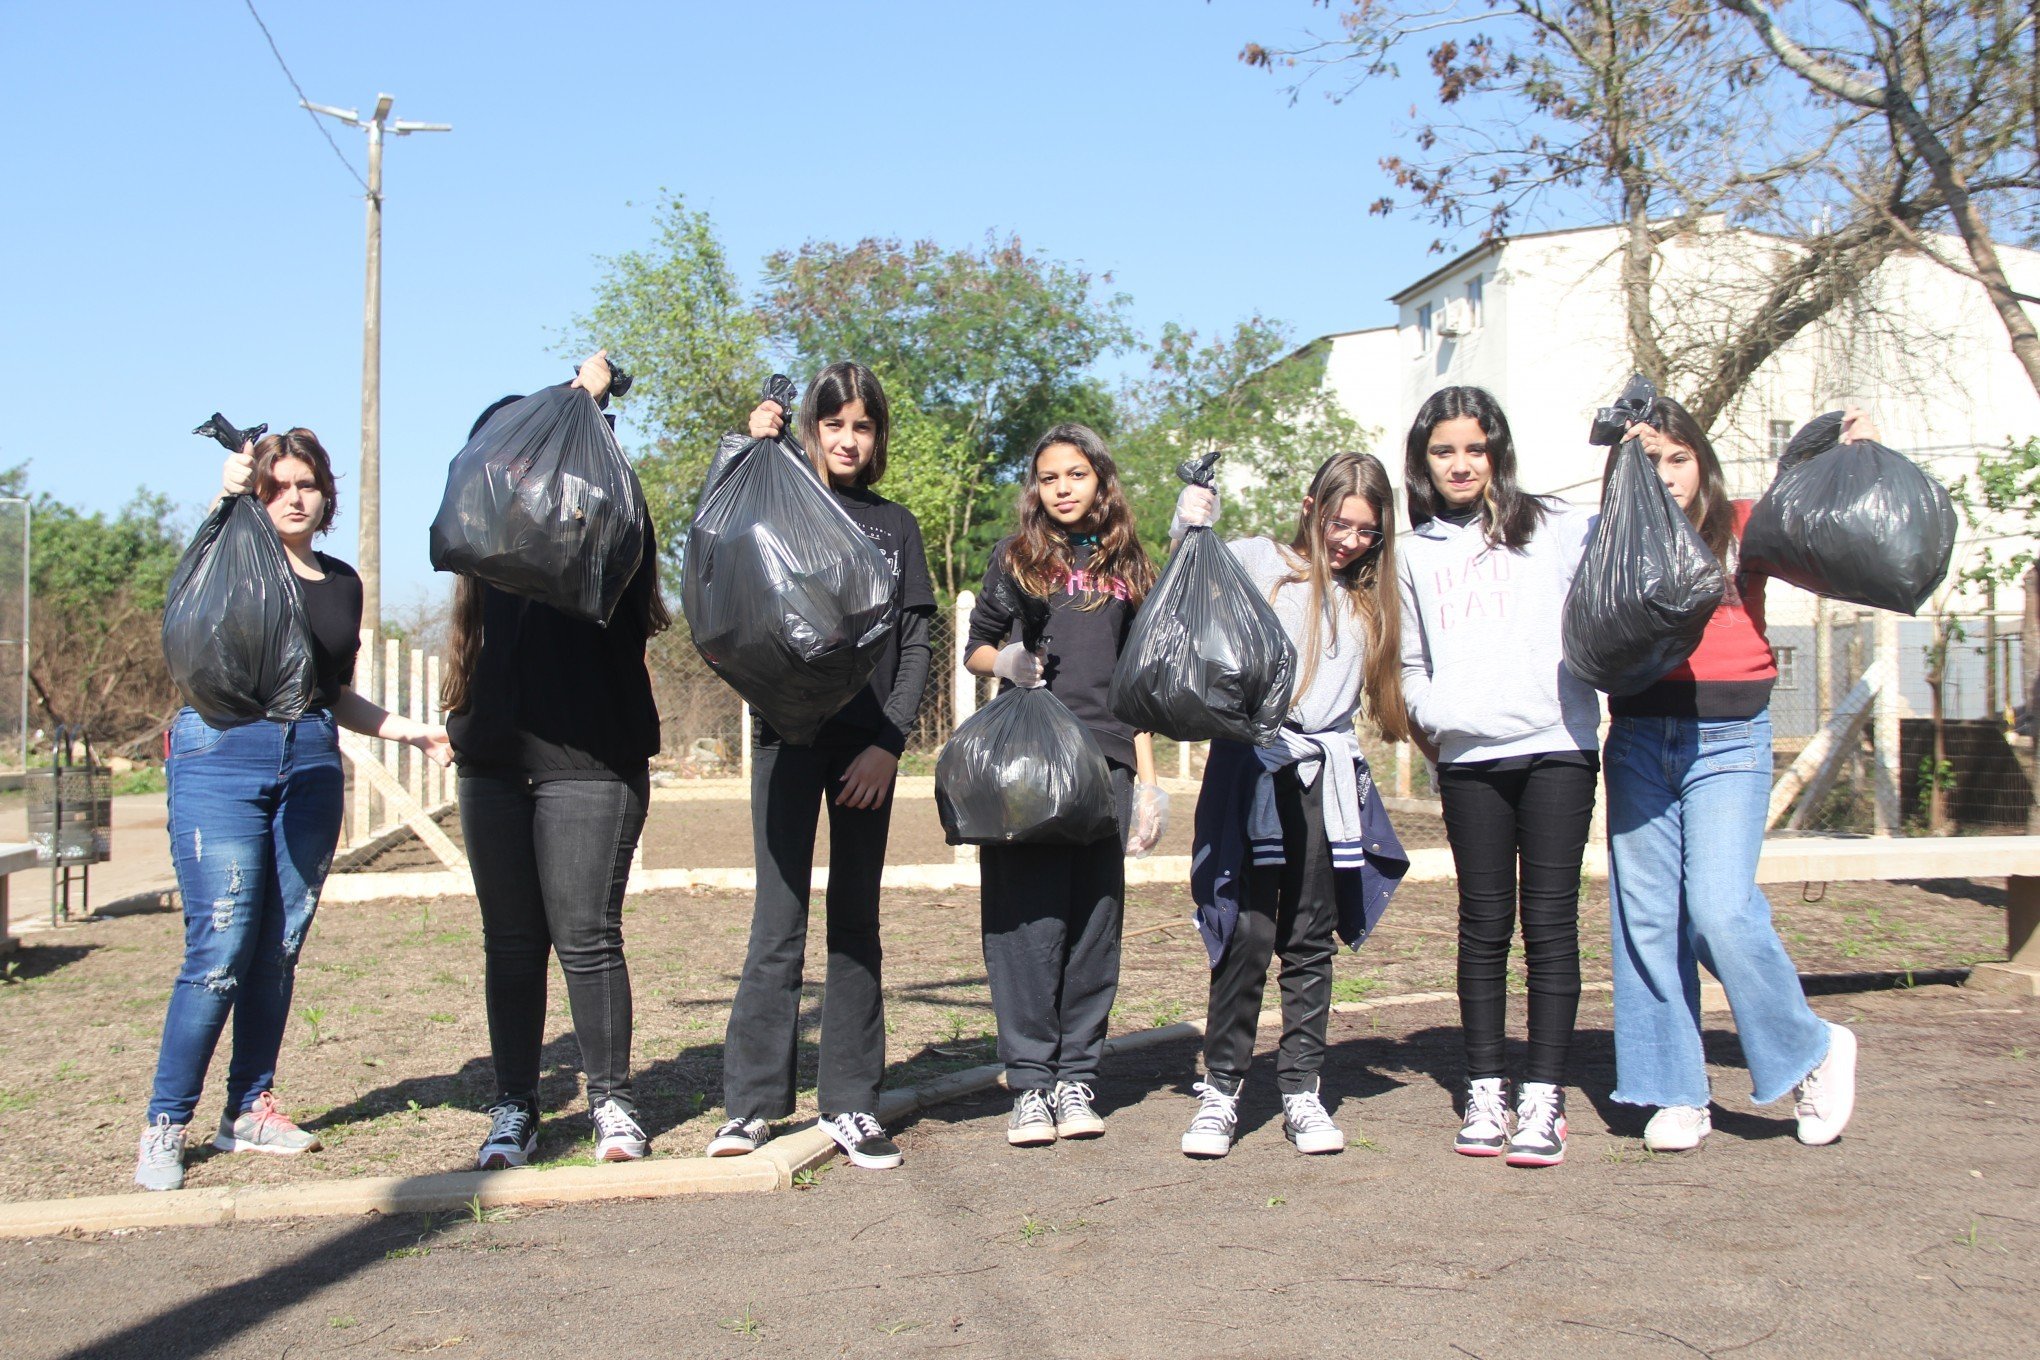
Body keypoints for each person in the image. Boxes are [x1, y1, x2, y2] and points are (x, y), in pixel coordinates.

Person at [137, 429, 451, 1191]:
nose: (293, 496)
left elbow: (332, 692)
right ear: (256, 494)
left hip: (310, 757)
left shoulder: (342, 583)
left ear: (325, 492)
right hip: (222, 753)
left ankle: (248, 1108)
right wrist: (226, 489)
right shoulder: (231, 561)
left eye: (305, 483)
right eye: (275, 485)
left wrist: (412, 731)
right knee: (219, 948)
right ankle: (165, 1124)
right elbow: (195, 581)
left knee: (278, 947)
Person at [1601, 399, 1864, 1152]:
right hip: (1639, 738)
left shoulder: (1744, 525)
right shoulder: (1614, 538)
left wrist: (1838, 449)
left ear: (1702, 464)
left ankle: (1812, 1050)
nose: (1665, 474)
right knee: (1647, 922)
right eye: (1647, 461)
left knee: (1719, 909)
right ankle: (1677, 1092)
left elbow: (1822, 525)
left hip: (1729, 741)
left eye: (1678, 458)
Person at [445, 351, 667, 1170]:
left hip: (589, 754)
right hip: (497, 757)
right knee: (510, 939)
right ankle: (514, 1107)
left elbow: (588, 527)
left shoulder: (601, 515)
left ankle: (612, 1102)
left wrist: (581, 409)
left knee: (585, 935)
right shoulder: (485, 543)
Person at [712, 363, 935, 1170]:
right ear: (810, 429)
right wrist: (743, 450)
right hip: (785, 737)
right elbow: (719, 563)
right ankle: (749, 1108)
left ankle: (851, 1102)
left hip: (865, 748)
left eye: (863, 425)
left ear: (877, 437)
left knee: (855, 921)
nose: (848, 438)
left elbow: (916, 641)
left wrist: (889, 742)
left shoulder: (894, 525)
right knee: (778, 923)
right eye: (833, 423)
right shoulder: (774, 500)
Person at [1174, 452, 1412, 1160]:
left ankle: (1302, 1087)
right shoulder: (1259, 559)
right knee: (1246, 931)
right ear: (1311, 507)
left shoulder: (1369, 598)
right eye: (1340, 522)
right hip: (1251, 767)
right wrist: (1190, 523)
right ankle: (1221, 1089)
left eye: (1366, 531)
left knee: (1309, 935)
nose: (1349, 540)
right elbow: (1189, 583)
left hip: (1323, 778)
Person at [1397, 385, 1599, 1167]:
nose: (1460, 464)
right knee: (1484, 926)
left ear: (1497, 452)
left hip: (1558, 746)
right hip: (1471, 758)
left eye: (1474, 449)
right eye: (1443, 451)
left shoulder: (1551, 526)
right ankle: (1487, 1089)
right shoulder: (1413, 552)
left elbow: (1630, 544)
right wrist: (1438, 714)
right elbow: (1410, 660)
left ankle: (1543, 1097)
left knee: (1550, 924)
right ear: (1423, 461)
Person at [963, 423, 1164, 1147]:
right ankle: (1029, 1084)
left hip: (1105, 763)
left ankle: (1077, 1078)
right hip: (1031, 767)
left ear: (1099, 479)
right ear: (1036, 490)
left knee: (1091, 924)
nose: (1064, 488)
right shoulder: (1018, 559)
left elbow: (1138, 680)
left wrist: (1147, 785)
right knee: (1026, 924)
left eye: (1076, 474)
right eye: (1050, 478)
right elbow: (976, 646)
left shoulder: (1129, 565)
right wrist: (1007, 660)